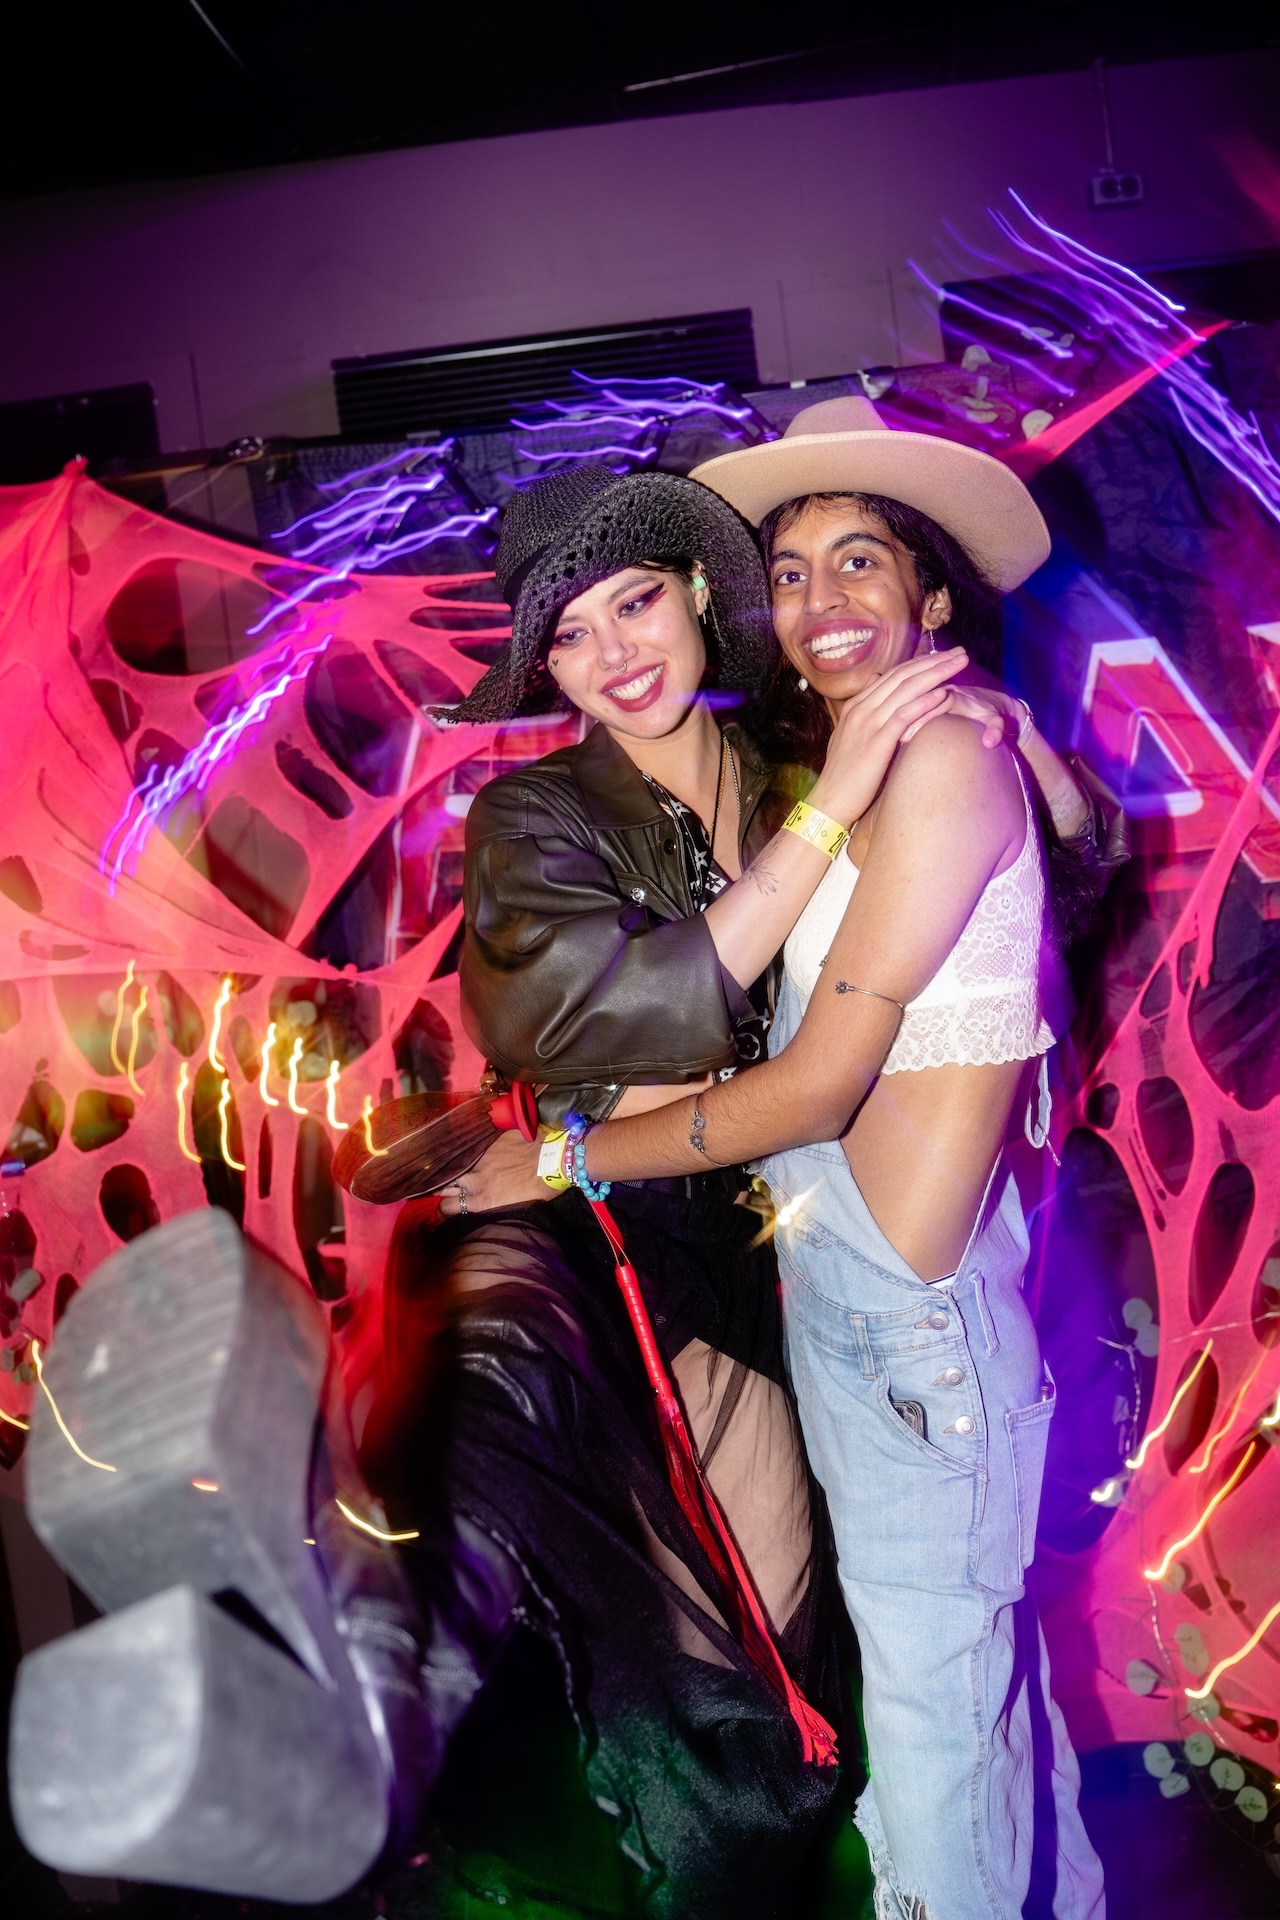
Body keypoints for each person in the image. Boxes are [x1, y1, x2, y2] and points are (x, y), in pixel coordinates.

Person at [11, 455, 1103, 1917]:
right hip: (620, 1229)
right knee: (518, 1430)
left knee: (833, 1652)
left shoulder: (796, 749)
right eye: (571, 637)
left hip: (790, 1244)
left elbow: (1037, 877)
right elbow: (617, 1018)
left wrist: (1025, 753)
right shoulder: (539, 818)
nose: (614, 656)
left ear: (701, 599)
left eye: (634, 604)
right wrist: (830, 815)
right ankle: (350, 1681)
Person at [545, 399, 1109, 1919]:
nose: (819, 600)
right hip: (877, 1314)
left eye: (861, 559)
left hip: (916, 1334)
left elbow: (813, 1088)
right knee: (979, 1704)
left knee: (935, 1752)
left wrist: (569, 1158)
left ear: (934, 593)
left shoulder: (936, 762)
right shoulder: (878, 760)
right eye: (788, 574)